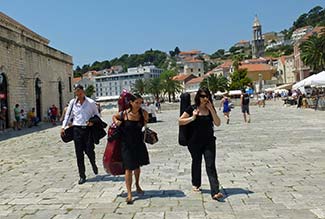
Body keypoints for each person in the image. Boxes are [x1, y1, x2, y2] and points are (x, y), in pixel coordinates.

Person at [179, 87, 224, 201]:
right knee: (196, 162)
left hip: (209, 142)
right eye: (202, 96)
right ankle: (196, 183)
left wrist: (212, 110)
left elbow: (218, 123)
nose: (205, 98)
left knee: (210, 165)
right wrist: (193, 117)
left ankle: (215, 191)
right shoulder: (192, 108)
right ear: (198, 97)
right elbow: (180, 121)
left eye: (207, 96)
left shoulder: (210, 109)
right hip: (194, 142)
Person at [112, 93, 150, 204]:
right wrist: (116, 121)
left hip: (138, 143)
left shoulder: (143, 113)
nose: (139, 105)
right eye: (136, 102)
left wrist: (146, 123)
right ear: (131, 103)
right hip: (126, 144)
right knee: (128, 168)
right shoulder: (124, 114)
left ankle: (137, 184)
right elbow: (114, 116)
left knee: (137, 166)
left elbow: (145, 125)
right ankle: (129, 193)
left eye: (140, 102)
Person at [60, 84, 100, 185]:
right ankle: (82, 175)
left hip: (87, 130)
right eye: (76, 91)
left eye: (80, 91)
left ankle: (93, 163)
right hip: (76, 129)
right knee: (79, 154)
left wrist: (92, 122)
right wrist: (63, 127)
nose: (78, 93)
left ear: (83, 91)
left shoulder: (90, 102)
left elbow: (97, 115)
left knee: (90, 151)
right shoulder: (73, 103)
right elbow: (68, 115)